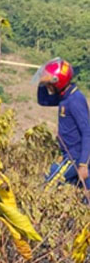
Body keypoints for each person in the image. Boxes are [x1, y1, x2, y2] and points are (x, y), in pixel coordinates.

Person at [36, 58, 90, 198]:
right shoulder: (64, 97)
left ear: (58, 83)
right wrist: (42, 82)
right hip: (69, 156)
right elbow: (43, 100)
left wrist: (83, 163)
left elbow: (87, 132)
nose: (48, 87)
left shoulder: (75, 100)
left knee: (46, 187)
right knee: (81, 200)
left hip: (75, 158)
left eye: (49, 84)